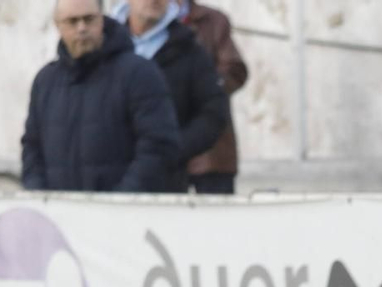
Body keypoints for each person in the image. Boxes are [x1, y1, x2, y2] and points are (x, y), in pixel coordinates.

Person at [21, 0, 179, 193]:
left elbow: (159, 145)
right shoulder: (45, 81)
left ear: (102, 20)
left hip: (127, 215)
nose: (82, 28)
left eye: (89, 19)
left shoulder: (139, 73)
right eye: (72, 21)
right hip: (58, 216)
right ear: (58, 26)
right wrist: (40, 197)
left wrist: (120, 201)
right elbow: (32, 147)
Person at [111, 0, 227, 193]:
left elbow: (213, 113)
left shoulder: (190, 50)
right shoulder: (104, 46)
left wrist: (171, 149)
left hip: (164, 184)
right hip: (106, 179)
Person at [178, 0, 248, 194]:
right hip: (162, 155)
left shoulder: (214, 21)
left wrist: (201, 88)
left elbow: (234, 70)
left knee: (216, 219)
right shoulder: (139, 22)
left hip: (211, 153)